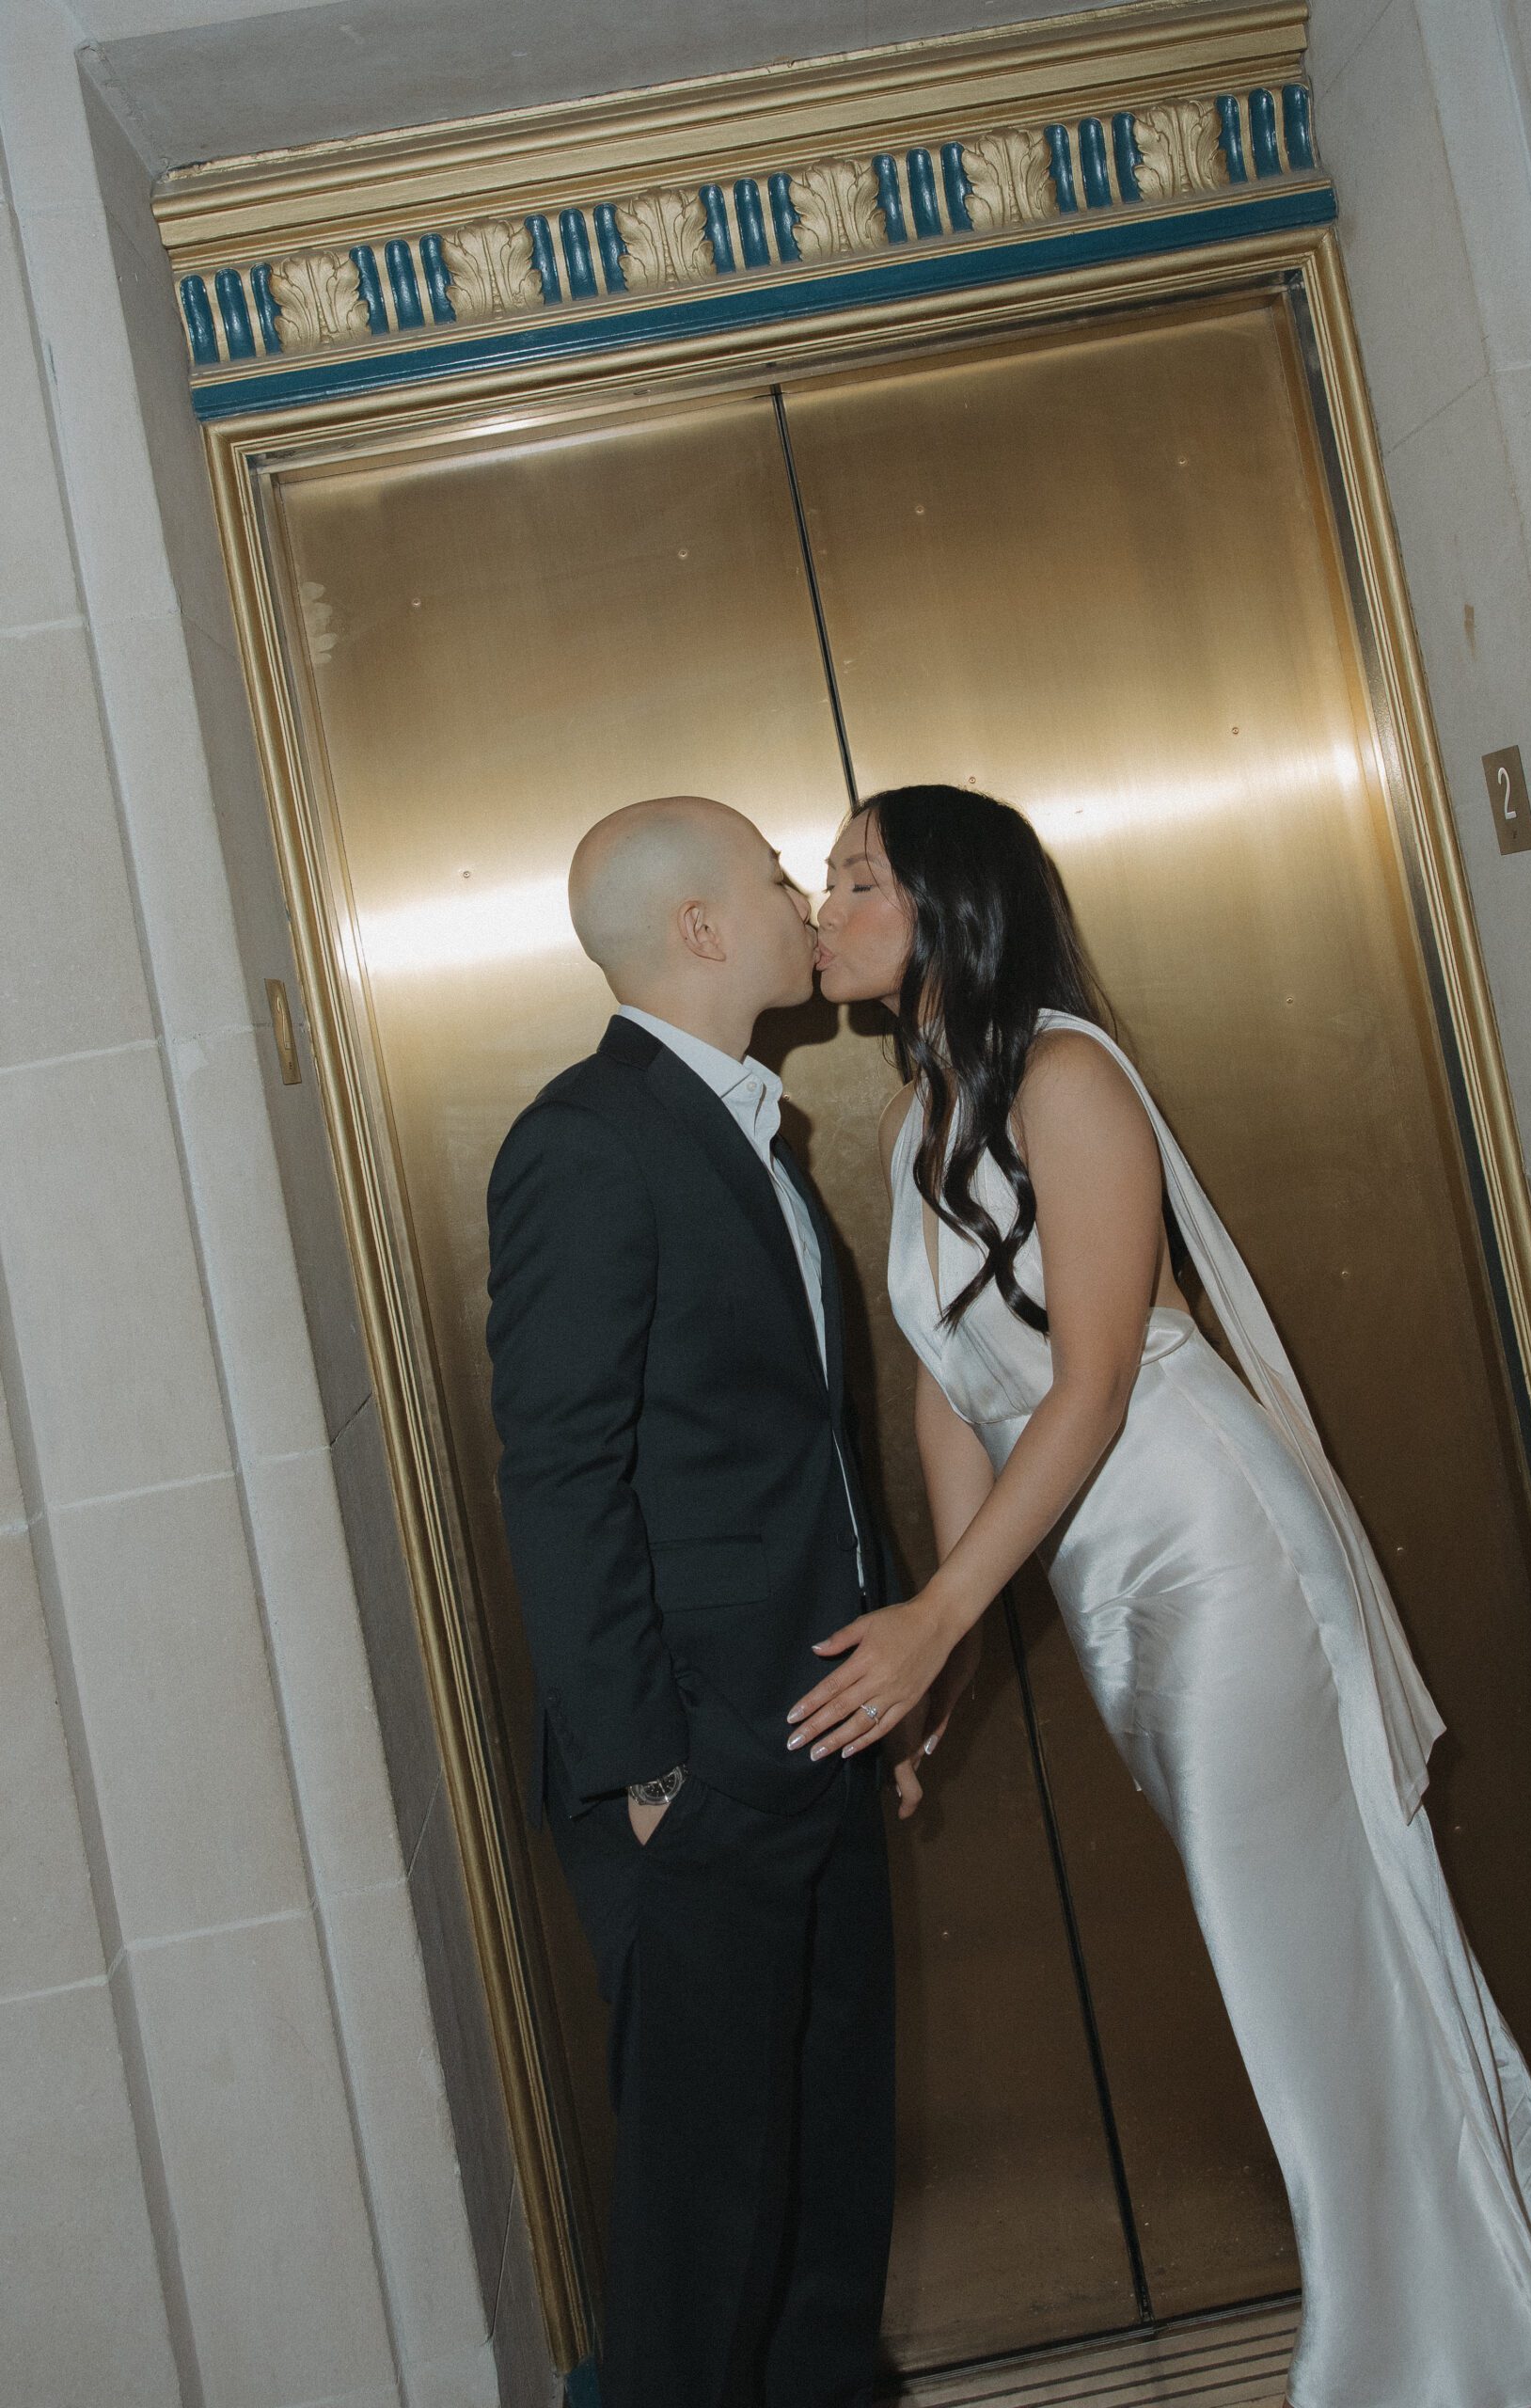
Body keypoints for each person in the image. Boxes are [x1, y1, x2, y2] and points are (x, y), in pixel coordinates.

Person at [797, 782, 1531, 2408]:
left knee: (1293, 1958)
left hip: (1213, 1546)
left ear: (951, 907)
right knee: (1338, 1932)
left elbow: (1096, 1379)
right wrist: (948, 1652)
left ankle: (1410, 2361)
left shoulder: (1063, 1074)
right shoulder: (925, 1110)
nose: (824, 907)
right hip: (1110, 1571)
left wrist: (941, 1618)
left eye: (856, 879)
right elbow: (948, 1394)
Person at [484, 796, 907, 2408]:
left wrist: (894, 1676)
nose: (804, 897)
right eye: (775, 876)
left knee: (820, 2199)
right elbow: (560, 1472)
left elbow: (792, 1445)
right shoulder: (587, 1141)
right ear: (704, 930)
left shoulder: (745, 1125)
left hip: (817, 1735)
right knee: (701, 2238)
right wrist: (648, 1768)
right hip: (706, 1766)